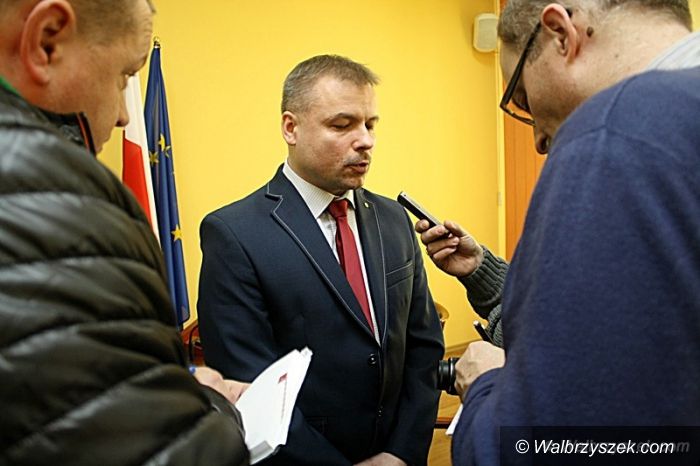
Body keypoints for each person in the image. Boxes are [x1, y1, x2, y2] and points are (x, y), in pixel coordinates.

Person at [418, 1, 700, 465]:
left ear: (560, 34)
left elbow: (539, 447)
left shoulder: (610, 137)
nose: (538, 140)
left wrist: (485, 385)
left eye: (523, 100)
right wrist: (484, 273)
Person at [0, 1, 249, 464]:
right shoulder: (62, 206)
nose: (122, 115)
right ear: (47, 41)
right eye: (123, 77)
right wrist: (213, 406)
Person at [198, 54, 445, 466]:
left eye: (370, 125)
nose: (365, 140)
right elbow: (250, 386)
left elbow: (423, 347)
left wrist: (401, 452)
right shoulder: (233, 234)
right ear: (290, 128)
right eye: (342, 125)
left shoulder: (394, 219)